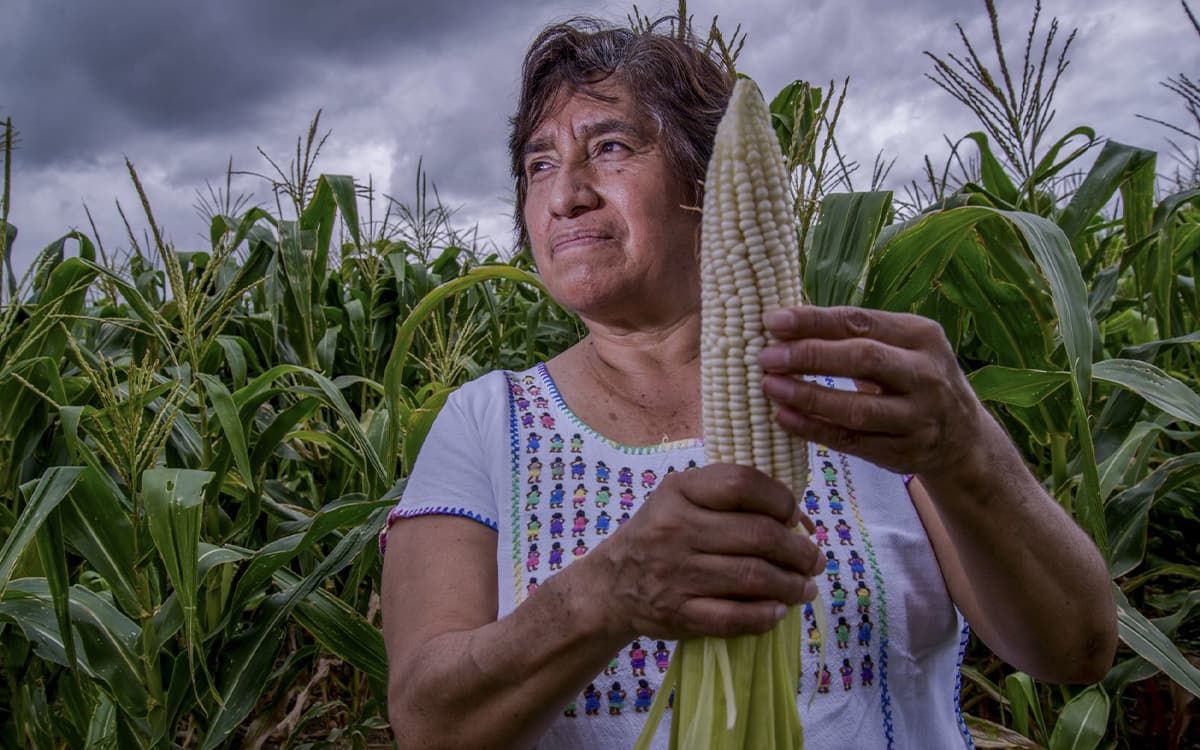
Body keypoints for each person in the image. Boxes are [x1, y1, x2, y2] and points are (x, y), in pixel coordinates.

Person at [379, 15, 1117, 749]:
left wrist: (965, 452)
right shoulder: (486, 422)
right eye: (538, 165)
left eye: (609, 147)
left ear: (706, 181)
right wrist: (602, 594)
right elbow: (430, 725)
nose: (566, 194)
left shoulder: (868, 396)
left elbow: (1075, 651)